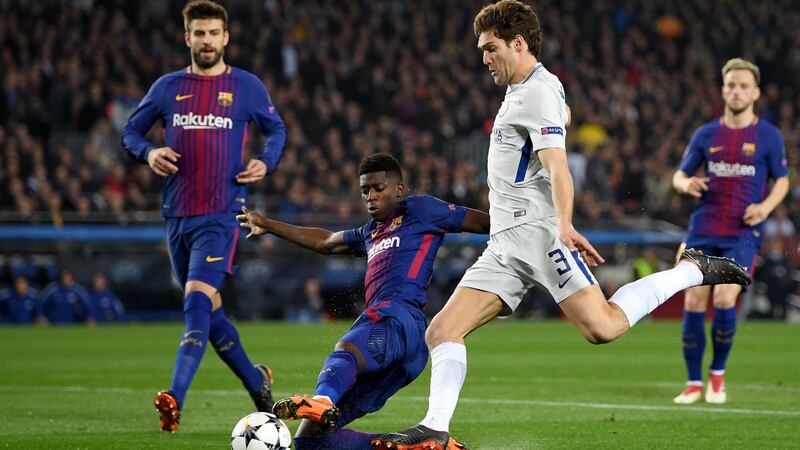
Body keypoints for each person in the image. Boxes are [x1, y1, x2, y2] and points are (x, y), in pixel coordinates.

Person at [371, 2, 751, 449]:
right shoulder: (535, 88)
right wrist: (561, 115)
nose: (483, 58)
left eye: (490, 48)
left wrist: (565, 225)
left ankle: (693, 269)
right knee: (441, 331)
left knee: (603, 328)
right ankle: (435, 429)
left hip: (538, 233)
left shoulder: (535, 92)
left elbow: (559, 167)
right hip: (504, 243)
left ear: (518, 43)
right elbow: (559, 118)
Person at [237, 153, 489, 450]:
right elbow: (326, 242)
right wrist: (268, 224)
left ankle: (322, 399)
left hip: (398, 319)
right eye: (364, 191)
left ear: (398, 189)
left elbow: (480, 221)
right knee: (311, 440)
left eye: (377, 188)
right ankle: (410, 446)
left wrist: (528, 225)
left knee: (346, 350)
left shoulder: (420, 208)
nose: (370, 196)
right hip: (403, 355)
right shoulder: (369, 232)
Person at [121, 0, 287, 432]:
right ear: (187, 37)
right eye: (199, 33)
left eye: (214, 33)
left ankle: (174, 397)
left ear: (226, 37)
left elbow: (277, 129)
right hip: (176, 215)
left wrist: (266, 161)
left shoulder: (246, 87)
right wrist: (150, 151)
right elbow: (130, 132)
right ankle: (258, 384)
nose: (207, 40)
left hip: (221, 215)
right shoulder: (167, 88)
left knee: (195, 301)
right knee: (209, 314)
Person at [671, 58, 789, 404]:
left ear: (755, 92)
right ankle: (693, 383)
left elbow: (782, 180)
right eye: (730, 86)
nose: (736, 91)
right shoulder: (706, 134)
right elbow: (679, 175)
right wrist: (684, 184)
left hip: (742, 233)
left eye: (742, 86)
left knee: (724, 297)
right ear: (723, 90)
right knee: (693, 297)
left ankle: (717, 376)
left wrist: (765, 207)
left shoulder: (769, 136)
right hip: (702, 228)